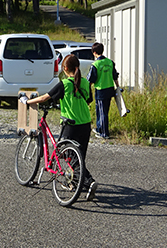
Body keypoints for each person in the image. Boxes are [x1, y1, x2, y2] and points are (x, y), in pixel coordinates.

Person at [19, 55, 98, 201]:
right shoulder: (86, 83)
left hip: (71, 124)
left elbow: (45, 97)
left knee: (69, 156)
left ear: (65, 68)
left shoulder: (65, 84)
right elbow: (88, 100)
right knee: (79, 156)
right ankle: (76, 182)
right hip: (86, 124)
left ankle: (89, 182)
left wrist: (28, 101)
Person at [87, 42, 119, 139]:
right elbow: (115, 75)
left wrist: (87, 88)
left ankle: (104, 133)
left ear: (94, 52)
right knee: (103, 110)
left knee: (102, 112)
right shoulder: (110, 62)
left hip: (101, 90)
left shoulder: (95, 64)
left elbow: (91, 79)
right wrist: (118, 87)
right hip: (110, 89)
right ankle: (99, 128)